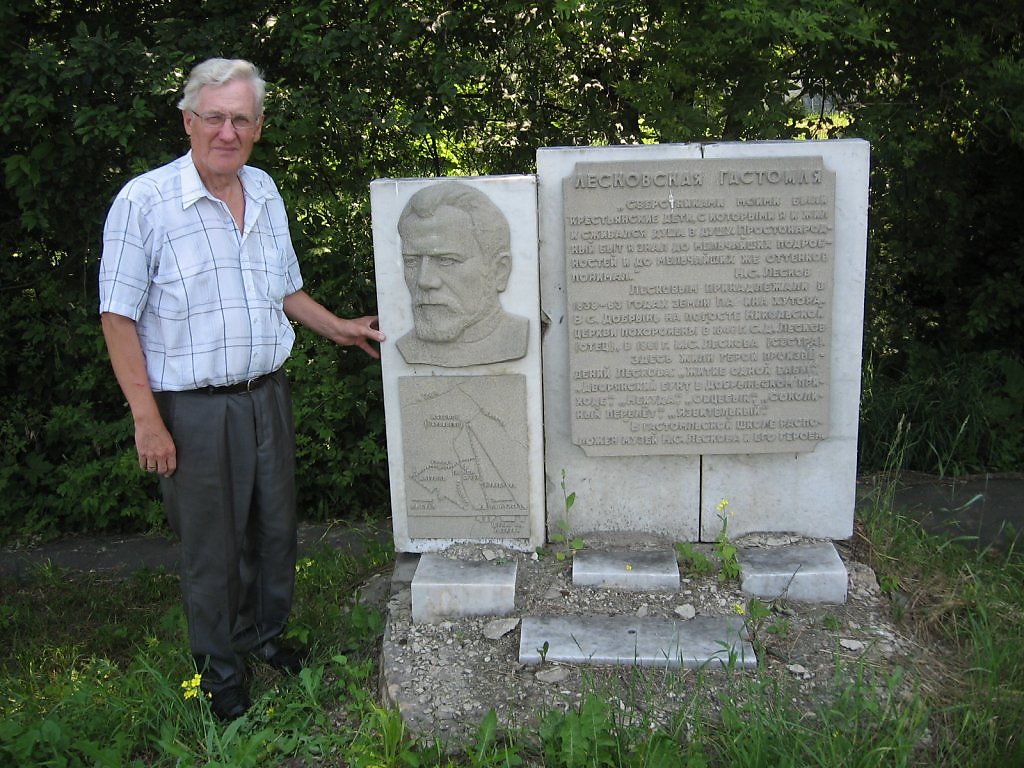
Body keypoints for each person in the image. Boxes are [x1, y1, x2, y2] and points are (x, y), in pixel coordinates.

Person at [98, 58, 385, 721]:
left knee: (275, 531)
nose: (227, 131)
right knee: (214, 550)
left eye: (241, 119)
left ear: (258, 128)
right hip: (193, 410)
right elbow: (117, 316)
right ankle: (221, 676)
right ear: (188, 122)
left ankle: (264, 637)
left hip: (267, 397)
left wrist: (336, 326)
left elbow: (282, 288)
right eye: (215, 117)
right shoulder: (145, 202)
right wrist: (147, 418)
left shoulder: (263, 189)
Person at [396, 181, 529, 367]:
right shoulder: (405, 347)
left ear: (500, 271)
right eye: (412, 261)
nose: (424, 280)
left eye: (446, 260)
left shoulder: (517, 337)